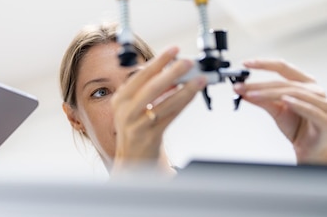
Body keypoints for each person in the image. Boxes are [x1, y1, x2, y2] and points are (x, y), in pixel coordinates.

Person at [59, 20, 327, 177]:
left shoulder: (226, 201)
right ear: (75, 119)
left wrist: (317, 169)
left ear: (161, 89)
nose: (126, 103)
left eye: (136, 83)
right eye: (101, 93)